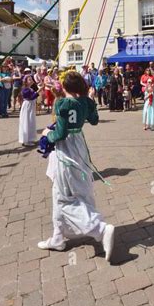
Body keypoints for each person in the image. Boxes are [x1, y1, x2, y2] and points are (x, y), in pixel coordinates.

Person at [38, 71, 115, 260]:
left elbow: (61, 133)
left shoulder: (63, 103)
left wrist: (47, 134)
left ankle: (100, 228)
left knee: (65, 195)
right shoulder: (84, 102)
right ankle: (58, 236)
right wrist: (91, 100)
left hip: (66, 150)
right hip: (79, 145)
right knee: (61, 191)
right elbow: (95, 120)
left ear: (66, 87)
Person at [19, 75, 39, 146]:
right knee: (27, 121)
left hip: (31, 106)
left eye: (31, 79)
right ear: (26, 82)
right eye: (29, 80)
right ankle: (26, 139)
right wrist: (38, 91)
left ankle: (30, 138)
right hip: (27, 106)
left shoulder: (30, 88)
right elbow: (31, 97)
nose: (31, 80)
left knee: (31, 121)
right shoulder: (25, 89)